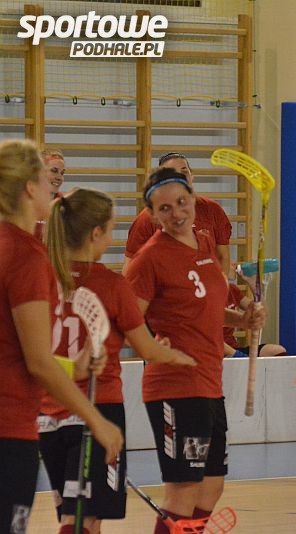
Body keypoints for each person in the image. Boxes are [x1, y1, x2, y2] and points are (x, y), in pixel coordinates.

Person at [41, 187, 196, 533]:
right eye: (111, 229)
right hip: (98, 410)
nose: (113, 237)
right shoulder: (111, 284)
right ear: (96, 234)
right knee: (80, 520)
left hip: (47, 417)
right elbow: (147, 350)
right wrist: (177, 355)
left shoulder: (42, 280)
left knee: (82, 517)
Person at [125, 167, 264, 533]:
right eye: (164, 208)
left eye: (181, 202)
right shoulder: (149, 259)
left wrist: (243, 319)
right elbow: (126, 319)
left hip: (209, 384)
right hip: (175, 387)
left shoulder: (203, 244)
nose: (176, 213)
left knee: (211, 486)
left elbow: (210, 304)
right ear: (152, 215)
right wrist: (152, 347)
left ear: (192, 199)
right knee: (183, 492)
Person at [0, 139, 123, 533]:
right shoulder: (25, 255)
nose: (53, 188)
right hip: (9, 427)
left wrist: (74, 366)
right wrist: (96, 421)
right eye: (44, 178)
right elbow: (37, 361)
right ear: (29, 188)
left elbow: (16, 351)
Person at [121, 152, 232, 275]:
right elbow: (129, 270)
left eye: (184, 172)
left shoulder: (210, 217)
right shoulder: (146, 223)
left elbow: (223, 258)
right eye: (173, 175)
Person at [224, 279, 286, 358]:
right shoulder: (210, 293)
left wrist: (253, 284)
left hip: (233, 348)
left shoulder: (231, 289)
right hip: (218, 351)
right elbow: (212, 340)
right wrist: (239, 356)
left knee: (277, 351)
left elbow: (262, 311)